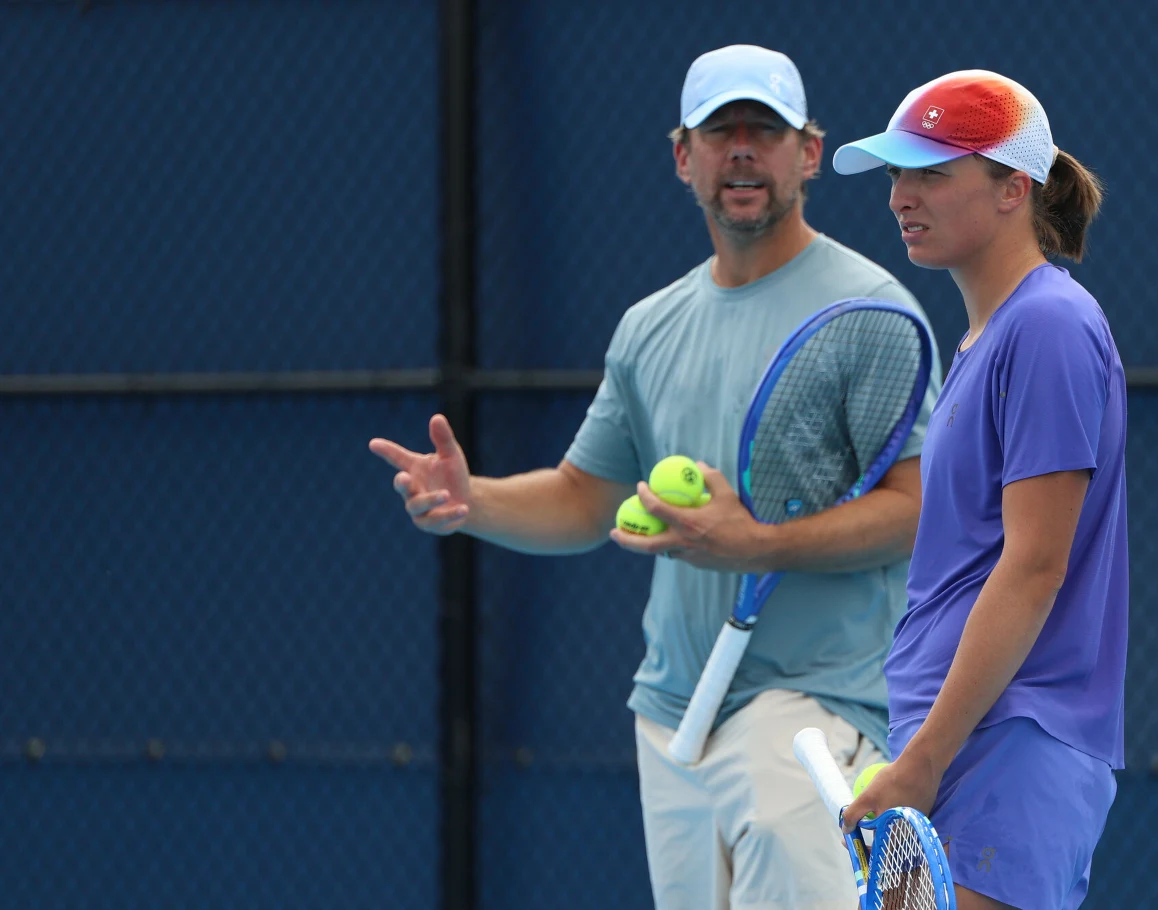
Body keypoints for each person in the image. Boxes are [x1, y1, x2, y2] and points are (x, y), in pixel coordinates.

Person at [369, 45, 940, 910]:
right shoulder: (648, 328)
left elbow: (918, 508)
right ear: (684, 157)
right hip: (671, 715)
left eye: (765, 130)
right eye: (720, 132)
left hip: (811, 709)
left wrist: (758, 542)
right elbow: (582, 497)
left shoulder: (870, 311)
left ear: (809, 154)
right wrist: (471, 500)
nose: (742, 149)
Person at [835, 71, 1126, 910]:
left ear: (1013, 188)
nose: (900, 196)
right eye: (896, 174)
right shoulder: (989, 337)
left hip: (1009, 739)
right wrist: (922, 747)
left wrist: (924, 758)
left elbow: (1035, 567)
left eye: (931, 172)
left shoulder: (1048, 325)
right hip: (959, 735)